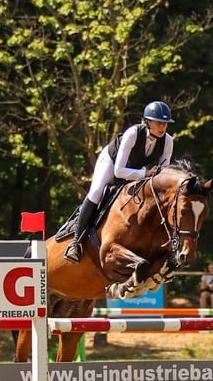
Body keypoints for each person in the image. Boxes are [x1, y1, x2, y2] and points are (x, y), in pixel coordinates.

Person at [64, 101, 175, 263]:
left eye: (165, 123)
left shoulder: (168, 142)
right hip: (112, 162)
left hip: (138, 170)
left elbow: (161, 175)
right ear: (147, 122)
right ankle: (76, 243)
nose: (162, 127)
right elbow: (119, 171)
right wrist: (146, 173)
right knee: (96, 191)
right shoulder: (133, 134)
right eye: (159, 122)